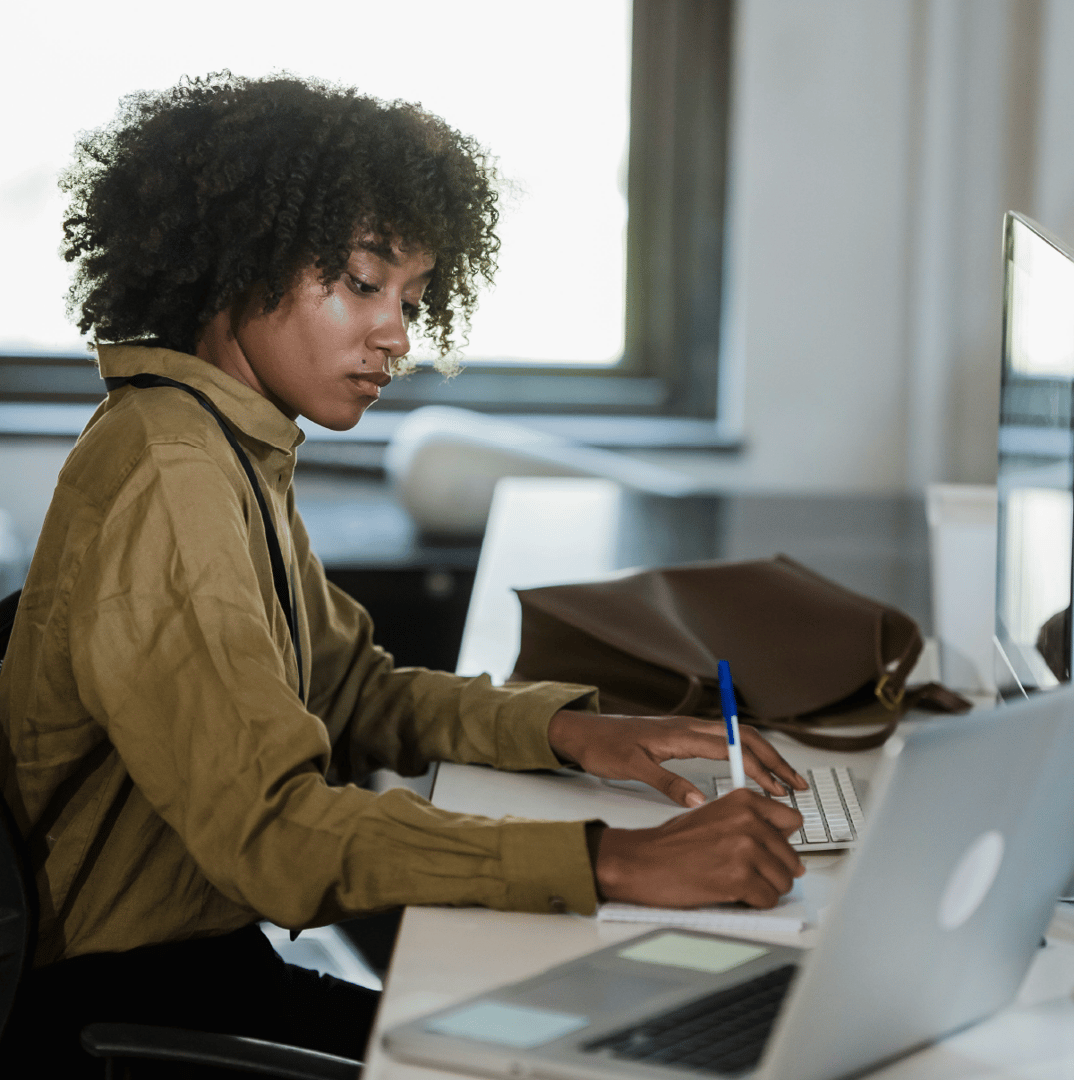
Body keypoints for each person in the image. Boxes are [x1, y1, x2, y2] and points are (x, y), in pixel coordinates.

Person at [0, 74, 806, 1076]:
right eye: (362, 284)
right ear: (237, 260)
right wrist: (619, 858)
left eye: (413, 301)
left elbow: (357, 692)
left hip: (194, 963)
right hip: (106, 1011)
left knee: (567, 1025)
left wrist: (573, 730)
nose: (397, 337)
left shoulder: (224, 440)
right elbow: (274, 837)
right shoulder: (174, 475)